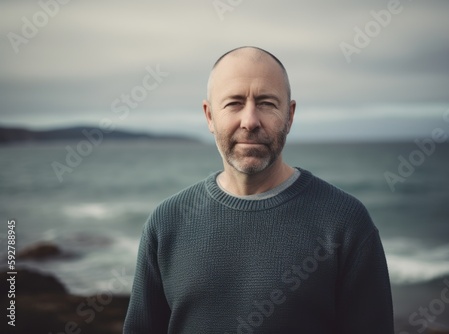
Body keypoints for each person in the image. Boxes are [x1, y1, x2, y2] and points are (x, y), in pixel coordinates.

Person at [123, 46, 394, 333]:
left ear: (289, 116)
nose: (250, 121)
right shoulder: (166, 222)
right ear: (209, 116)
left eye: (266, 103)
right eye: (234, 103)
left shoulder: (346, 222)